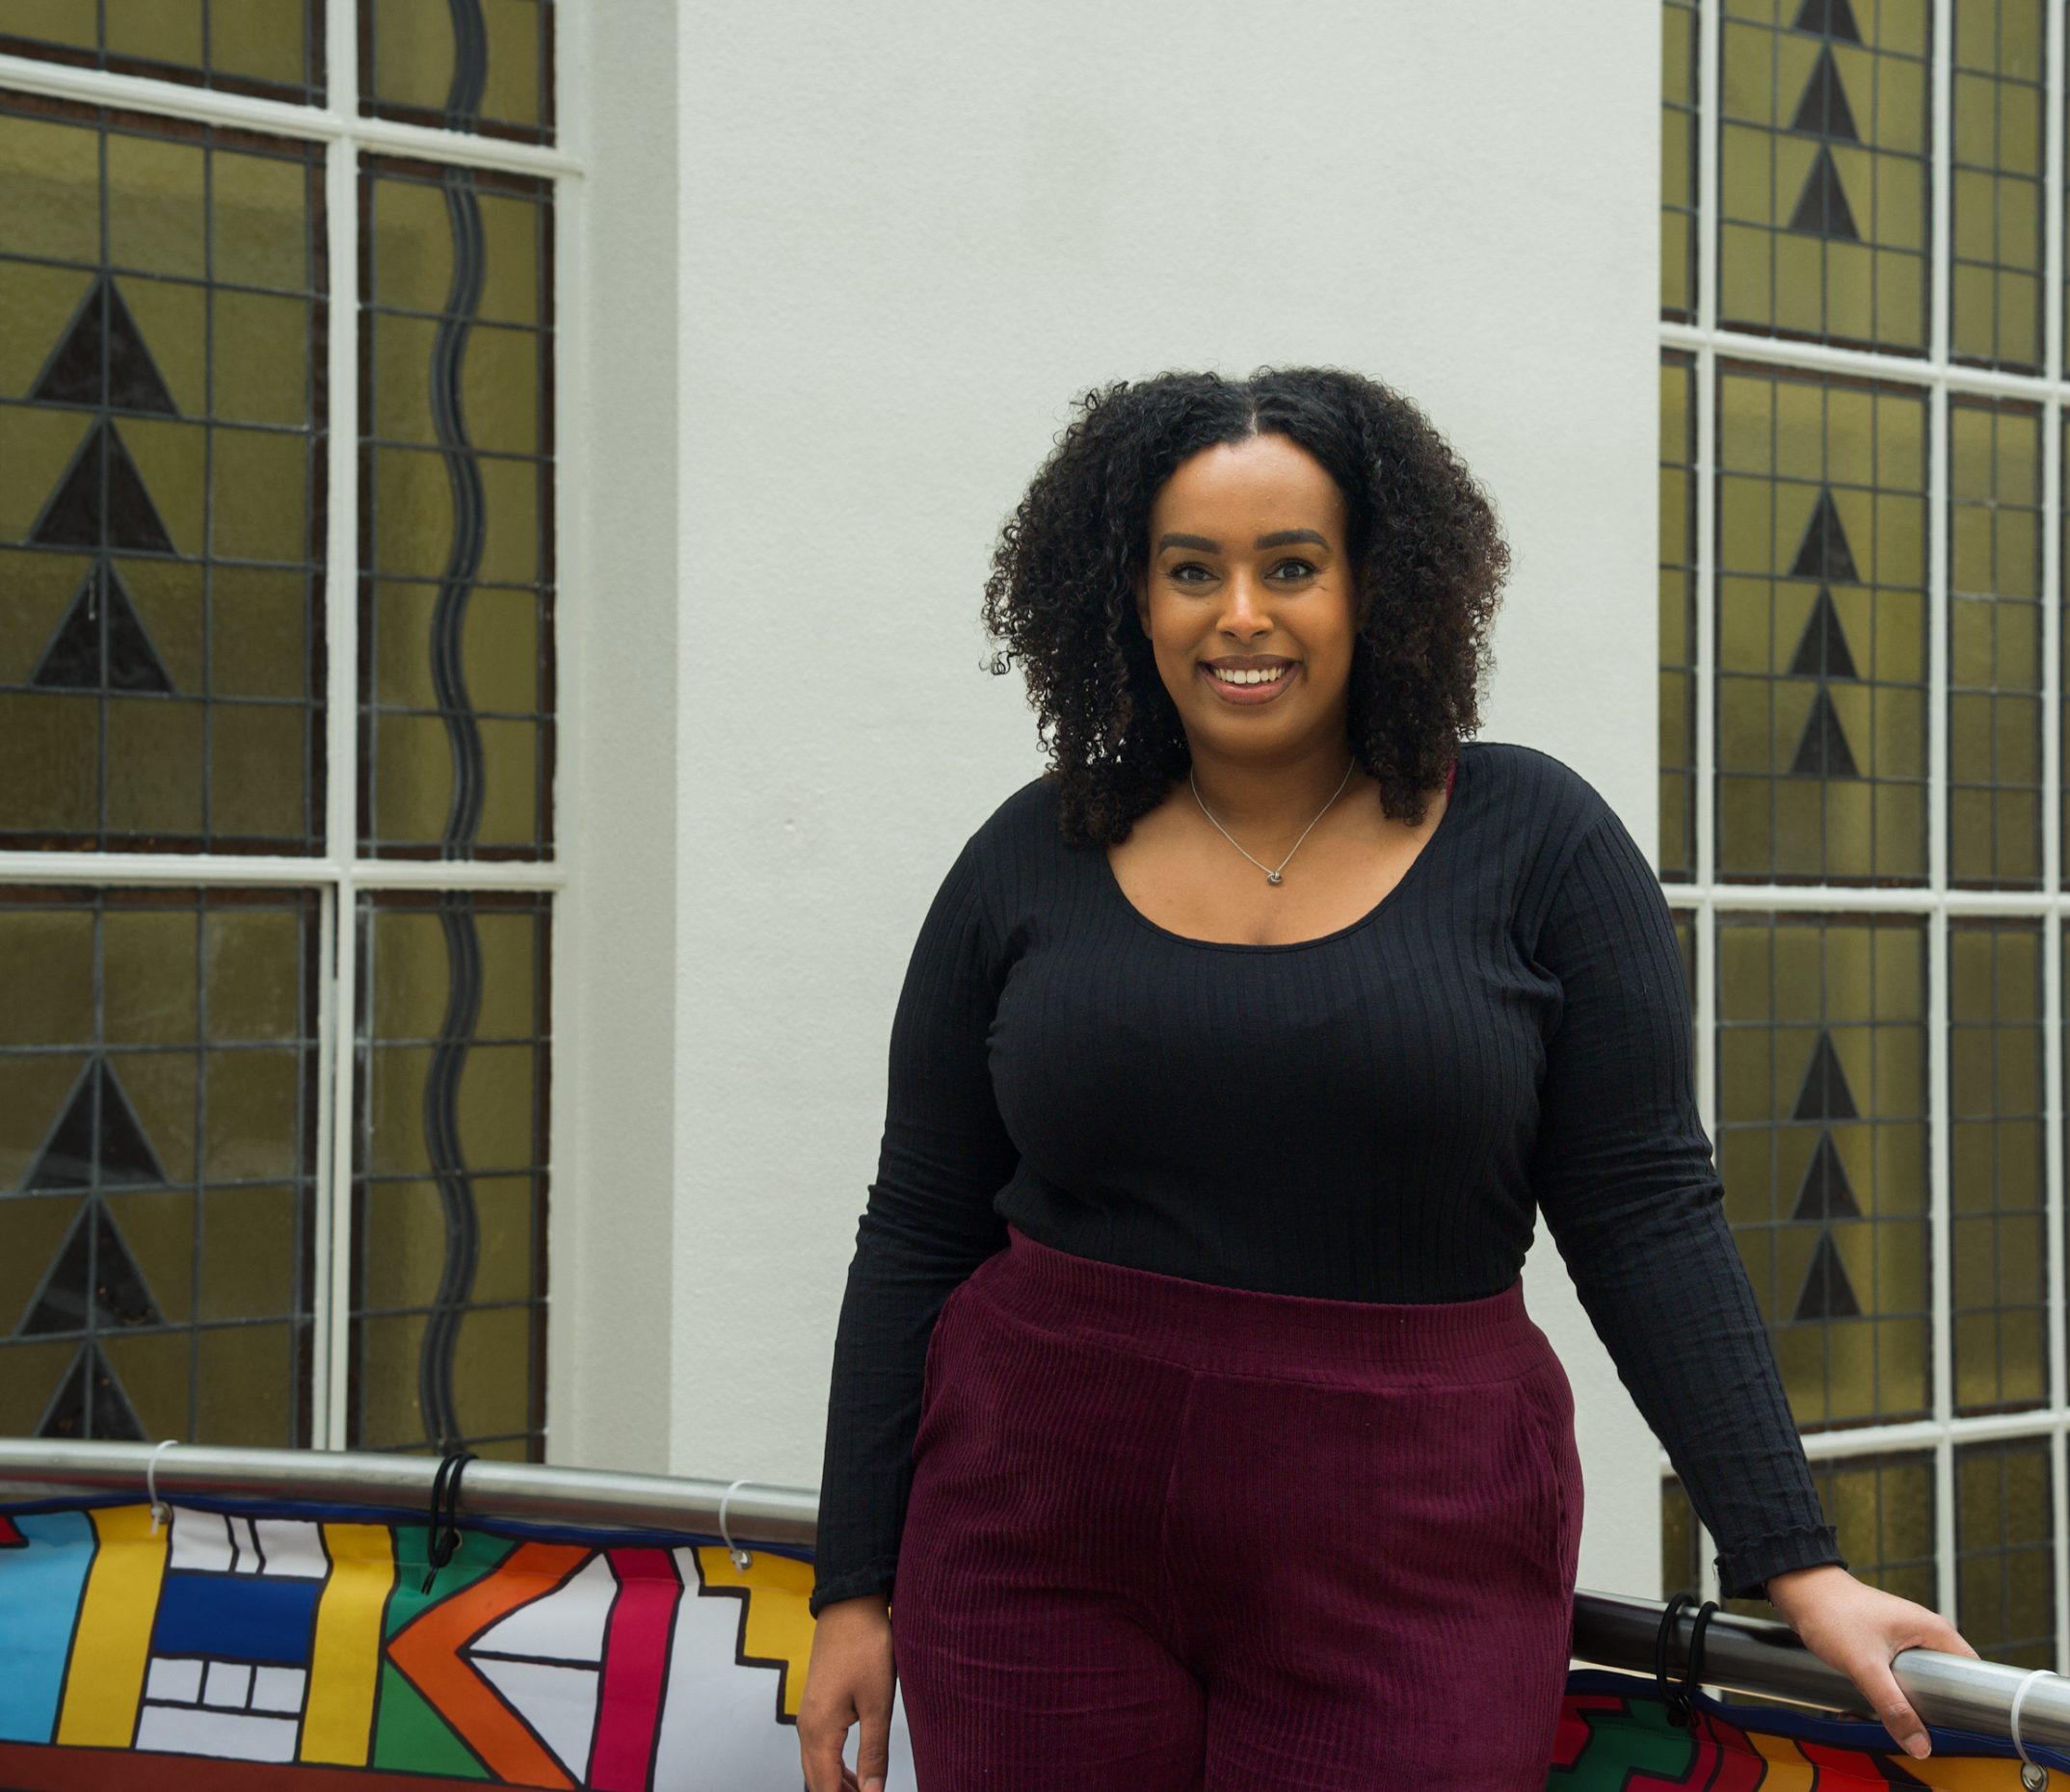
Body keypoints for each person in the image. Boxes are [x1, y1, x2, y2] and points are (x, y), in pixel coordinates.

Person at [796, 367, 1975, 1792]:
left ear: (1377, 589)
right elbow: (920, 1225)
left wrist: (1794, 1557)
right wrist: (854, 1585)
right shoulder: (1026, 856)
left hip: (1412, 1540)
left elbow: (1644, 1212)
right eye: (1192, 570)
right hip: (1032, 1539)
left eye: (1293, 566)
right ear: (1130, 599)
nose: (1241, 613)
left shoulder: (1538, 842)